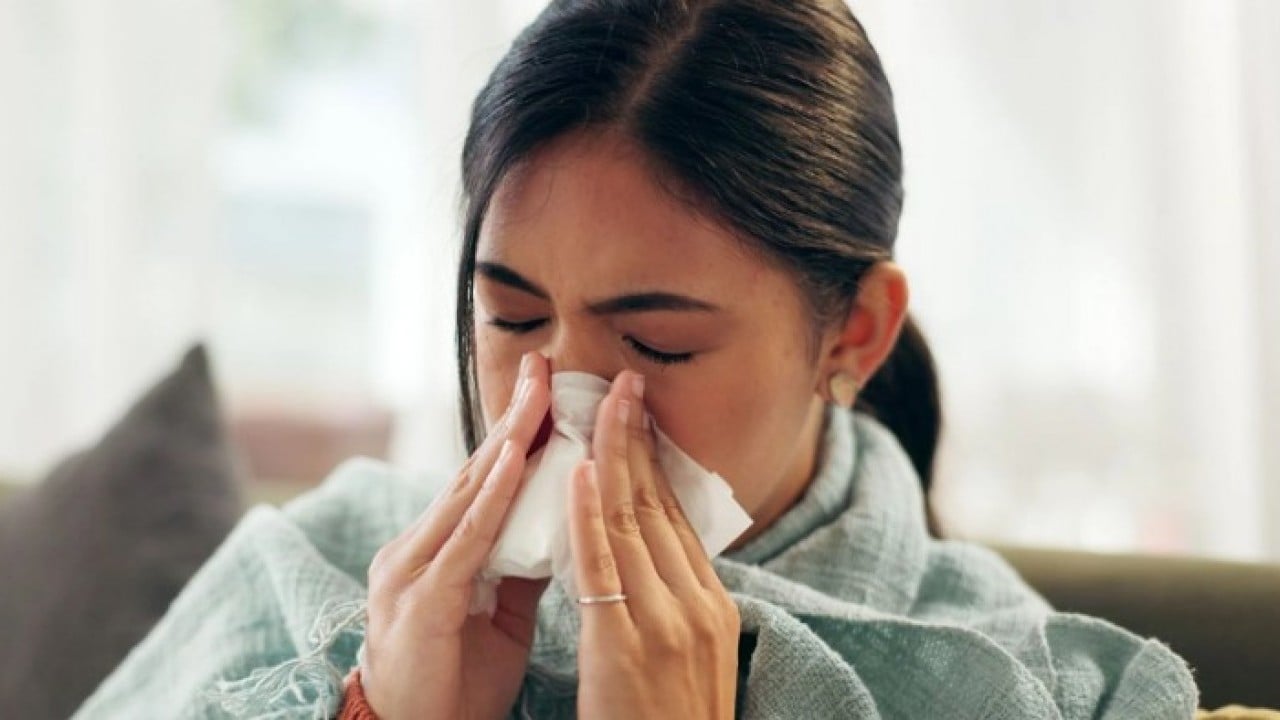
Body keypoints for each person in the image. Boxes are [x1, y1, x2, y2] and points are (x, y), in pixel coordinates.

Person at [73, 0, 1200, 718]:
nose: (552, 403)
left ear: (852, 333)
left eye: (657, 341)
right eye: (510, 319)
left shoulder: (1030, 687)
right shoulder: (321, 570)